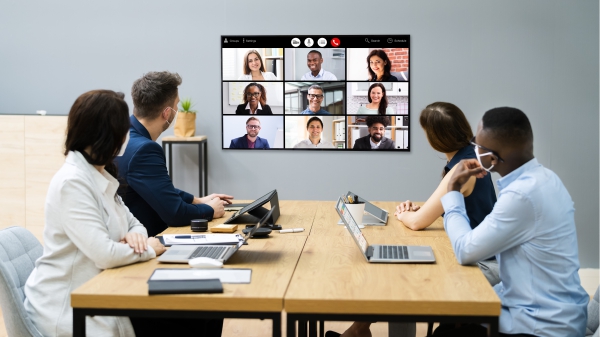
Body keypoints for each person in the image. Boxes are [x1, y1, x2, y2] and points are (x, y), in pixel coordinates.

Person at [24, 90, 167, 337]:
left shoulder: (99, 173)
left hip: (103, 290)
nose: (127, 136)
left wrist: (136, 237)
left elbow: (136, 224)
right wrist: (149, 248)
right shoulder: (73, 183)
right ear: (108, 134)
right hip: (67, 306)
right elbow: (105, 254)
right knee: (189, 321)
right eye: (124, 129)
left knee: (198, 320)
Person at [438, 107, 588, 336]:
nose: (473, 150)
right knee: (453, 322)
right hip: (557, 314)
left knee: (448, 331)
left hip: (541, 327)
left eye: (477, 145)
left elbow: (464, 250)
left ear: (491, 158)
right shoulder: (548, 178)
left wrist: (452, 190)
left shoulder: (521, 196)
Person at [115, 71, 232, 237]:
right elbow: (175, 214)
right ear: (167, 113)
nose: (178, 110)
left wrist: (196, 200)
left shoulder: (122, 133)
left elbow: (154, 186)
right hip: (147, 241)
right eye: (177, 105)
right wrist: (210, 210)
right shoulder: (144, 150)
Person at [395, 102, 499, 284]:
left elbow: (417, 223)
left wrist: (404, 215)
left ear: (435, 138)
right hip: (482, 255)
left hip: (482, 264)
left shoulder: (462, 169)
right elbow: (440, 208)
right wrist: (418, 211)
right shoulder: (472, 157)